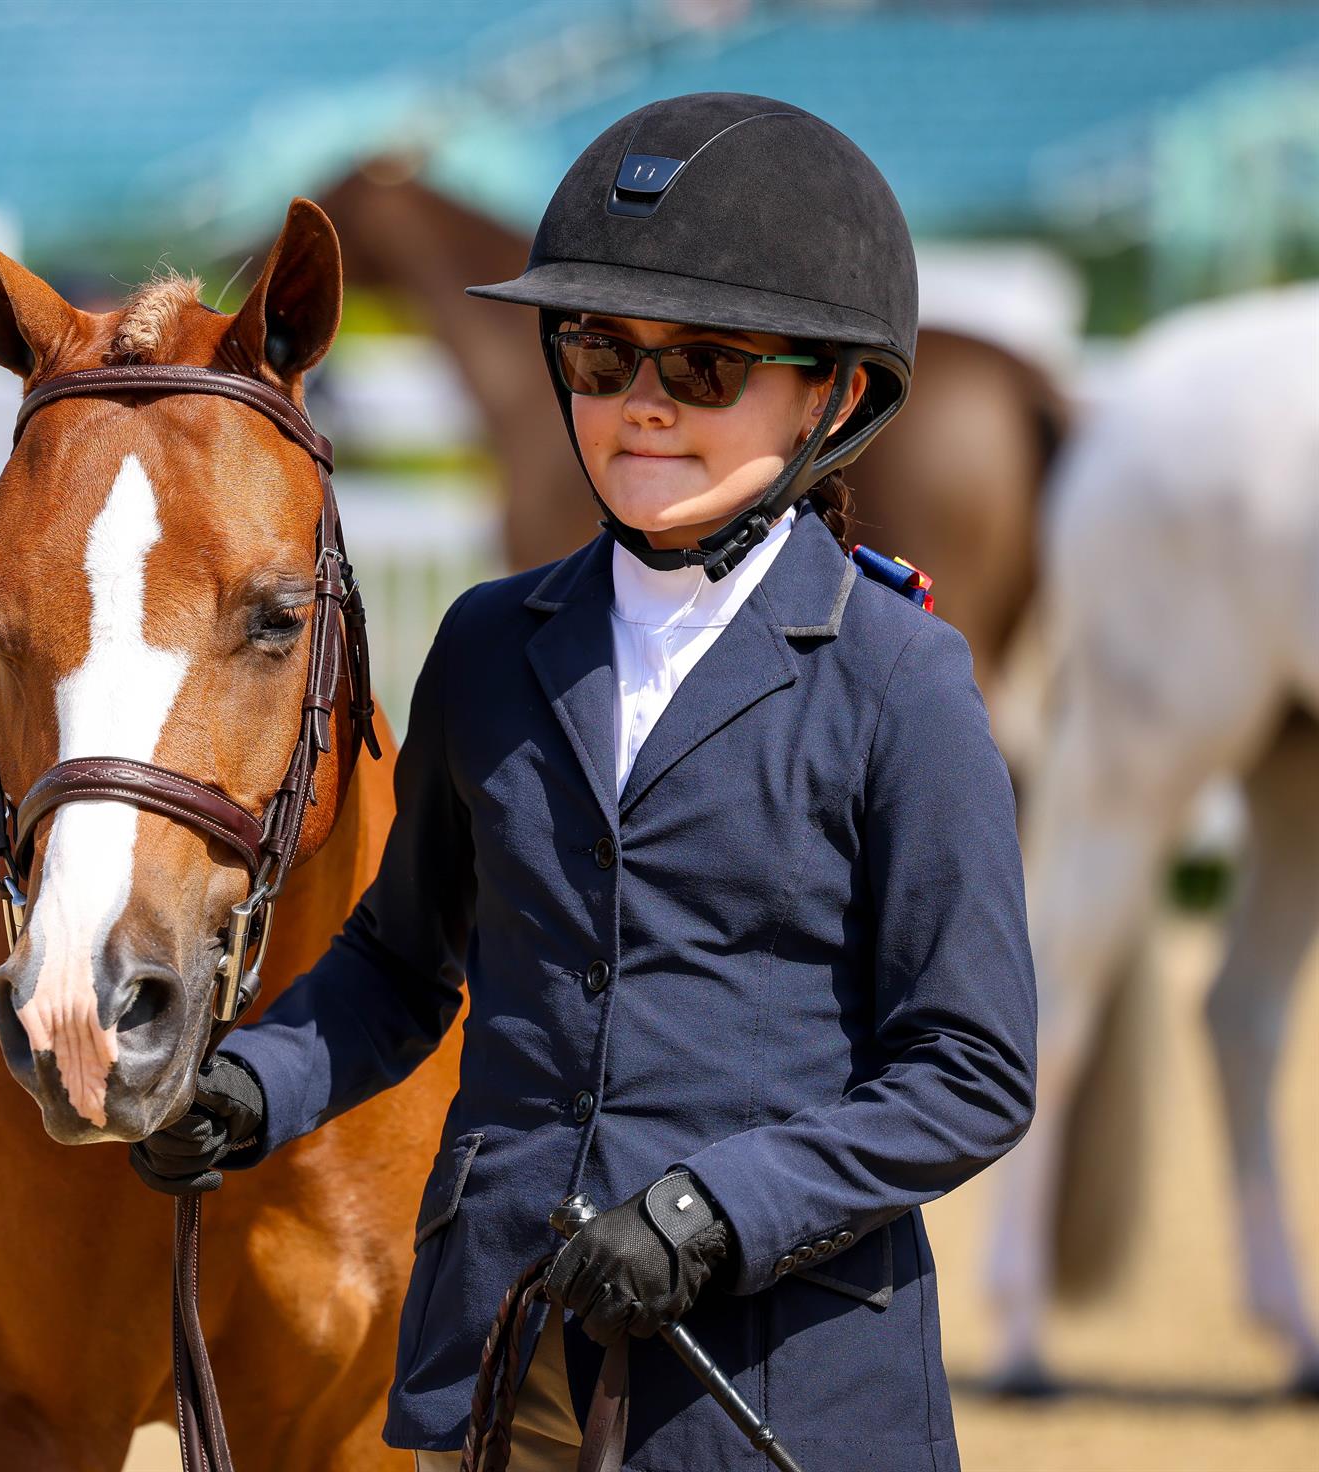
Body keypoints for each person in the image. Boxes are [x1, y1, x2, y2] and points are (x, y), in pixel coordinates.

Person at [132, 91, 1037, 1472]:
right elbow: (399, 963)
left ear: (834, 394)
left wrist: (710, 1216)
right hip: (507, 1357)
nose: (643, 407)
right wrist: (251, 1087)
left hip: (772, 1382)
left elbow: (970, 1069)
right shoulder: (495, 644)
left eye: (706, 370)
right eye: (602, 355)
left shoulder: (899, 682)